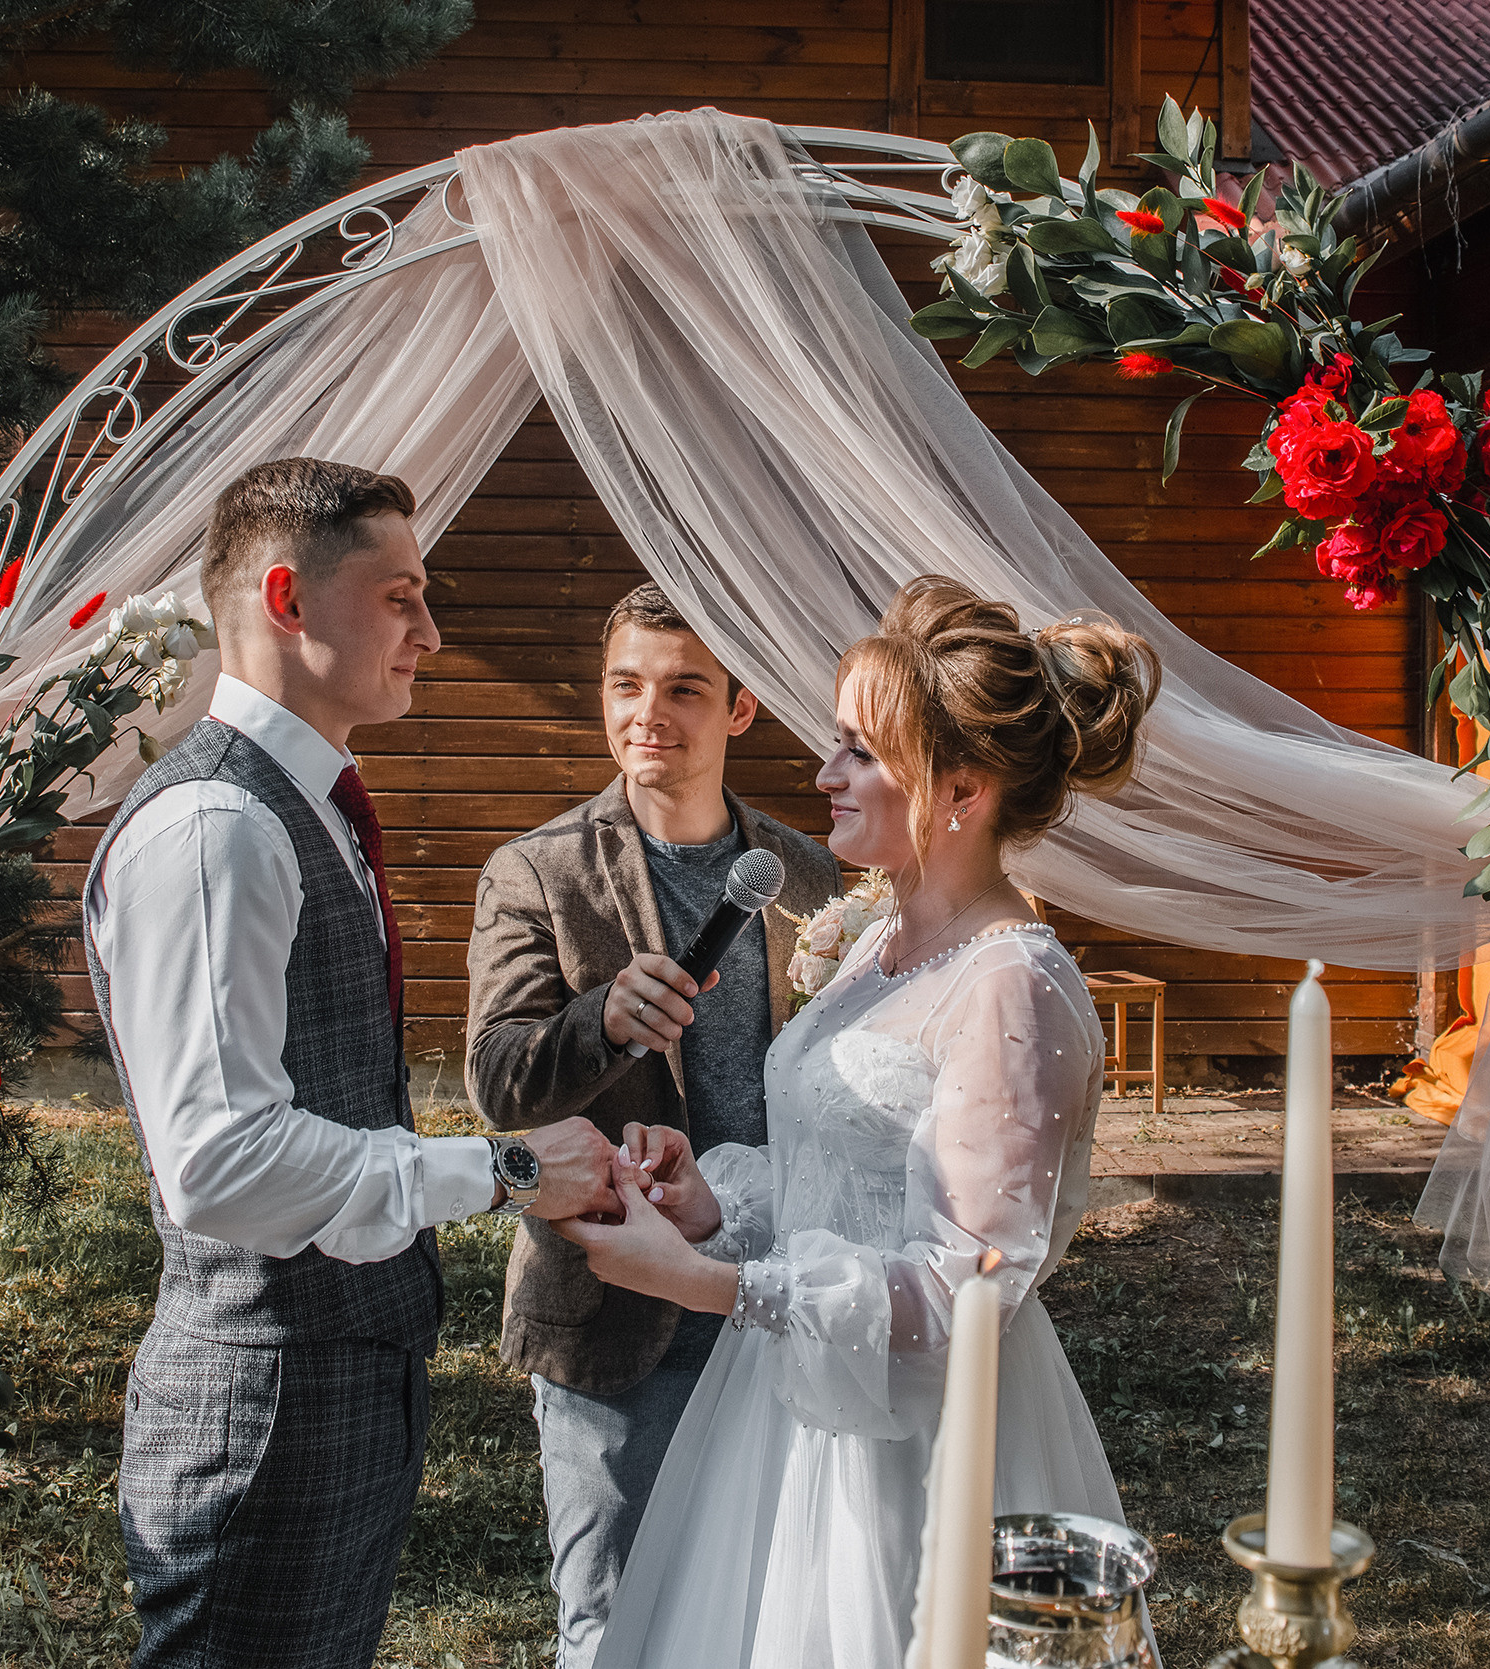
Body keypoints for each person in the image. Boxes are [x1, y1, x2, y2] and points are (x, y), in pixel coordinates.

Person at [553, 575, 1162, 1669]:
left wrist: (701, 1283)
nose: (822, 774)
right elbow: (846, 1179)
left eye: (859, 754)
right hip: (788, 1409)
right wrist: (712, 1202)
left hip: (914, 1439)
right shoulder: (875, 944)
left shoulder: (1010, 985)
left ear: (959, 790)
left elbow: (964, 1284)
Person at [83, 457, 617, 1669]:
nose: (431, 631)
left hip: (335, 1381)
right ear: (286, 599)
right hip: (263, 1400)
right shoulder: (217, 826)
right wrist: (502, 1168)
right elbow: (221, 1164)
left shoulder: (303, 800)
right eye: (401, 596)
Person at [465, 583, 842, 1669]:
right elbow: (497, 1083)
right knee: (618, 1623)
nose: (649, 712)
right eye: (626, 684)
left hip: (784, 1288)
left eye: (684, 688)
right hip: (618, 1313)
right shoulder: (537, 870)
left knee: (777, 1611)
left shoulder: (807, 875)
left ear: (740, 708)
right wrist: (597, 1024)